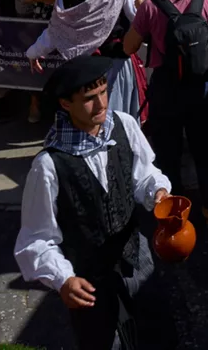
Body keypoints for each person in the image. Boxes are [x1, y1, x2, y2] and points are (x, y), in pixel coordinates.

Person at [14, 55, 176, 350]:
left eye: (103, 92)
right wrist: (63, 279)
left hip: (135, 257)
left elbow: (143, 174)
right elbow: (36, 238)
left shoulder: (124, 125)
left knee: (158, 332)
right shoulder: (49, 165)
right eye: (90, 98)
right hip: (88, 277)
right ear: (65, 104)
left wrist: (157, 193)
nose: (101, 104)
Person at [124, 0, 208, 227]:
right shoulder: (205, 0)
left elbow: (130, 45)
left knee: (168, 155)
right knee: (205, 151)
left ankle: (176, 218)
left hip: (166, 90)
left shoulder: (151, 8)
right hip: (200, 87)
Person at [25, 0, 144, 119]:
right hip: (115, 67)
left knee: (92, 121)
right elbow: (139, 20)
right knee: (119, 120)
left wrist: (32, 53)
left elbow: (53, 33)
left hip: (84, 75)